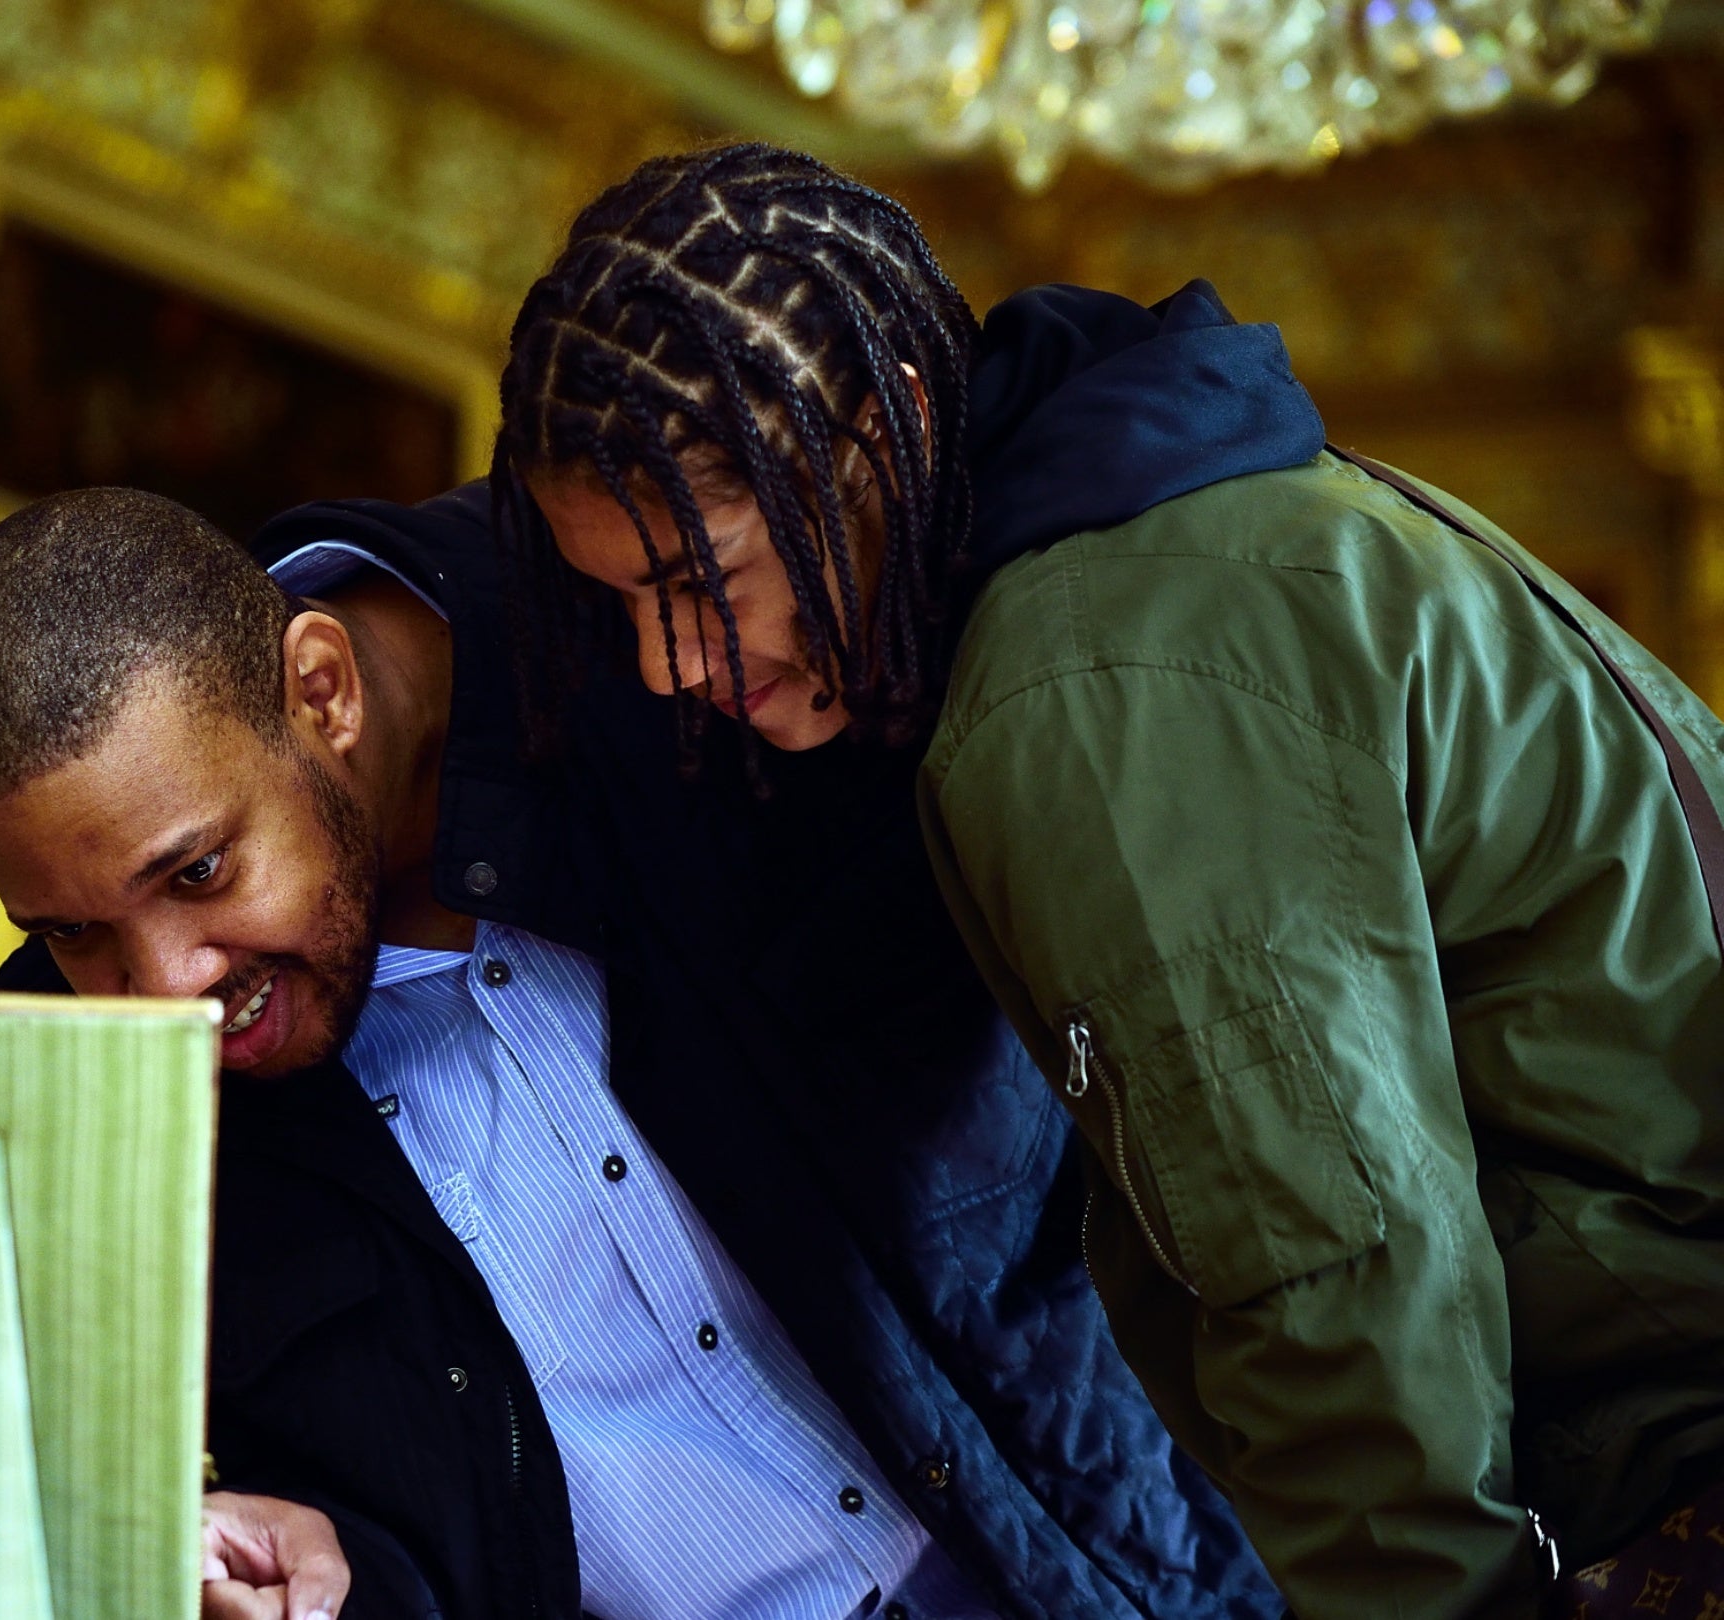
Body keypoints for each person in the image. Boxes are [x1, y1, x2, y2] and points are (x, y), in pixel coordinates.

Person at [499, 139, 1724, 1620]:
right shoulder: (1204, 522)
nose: (665, 666)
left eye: (701, 578)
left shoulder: (1080, 682)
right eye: (619, 602)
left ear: (867, 452)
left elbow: (1330, 1263)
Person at [0, 484, 1283, 1620]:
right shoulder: (77, 1120)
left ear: (322, 690)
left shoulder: (647, 628)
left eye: (201, 872)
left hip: (1133, 1557)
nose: (159, 992)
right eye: (73, 936)